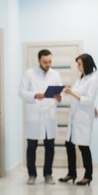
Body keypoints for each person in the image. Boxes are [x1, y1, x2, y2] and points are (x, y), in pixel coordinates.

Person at [19, 49, 63, 185]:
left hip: (49, 114)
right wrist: (34, 95)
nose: (48, 64)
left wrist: (58, 97)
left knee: (50, 147)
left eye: (50, 62)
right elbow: (21, 92)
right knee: (31, 147)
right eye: (45, 62)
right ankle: (31, 174)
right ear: (39, 61)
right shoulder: (29, 74)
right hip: (35, 114)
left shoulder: (55, 74)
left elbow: (60, 95)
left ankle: (48, 174)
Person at [59, 54, 98, 186]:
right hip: (75, 116)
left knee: (83, 146)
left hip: (83, 118)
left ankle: (88, 175)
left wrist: (71, 92)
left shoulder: (94, 79)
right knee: (69, 144)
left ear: (86, 64)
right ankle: (71, 173)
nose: (77, 66)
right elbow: (83, 96)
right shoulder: (81, 78)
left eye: (79, 64)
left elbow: (88, 99)